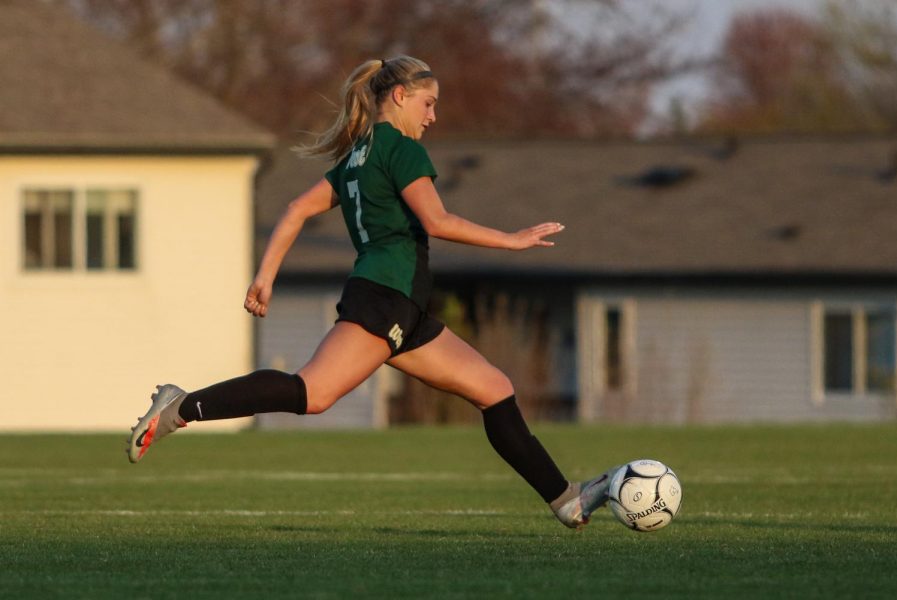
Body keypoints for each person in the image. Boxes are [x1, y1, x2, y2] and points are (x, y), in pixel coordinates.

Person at [126, 56, 618, 530]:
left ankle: (565, 499)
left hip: (404, 305)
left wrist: (266, 275)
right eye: (428, 103)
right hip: (385, 297)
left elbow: (297, 208)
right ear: (400, 96)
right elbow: (436, 221)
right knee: (312, 394)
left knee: (494, 390)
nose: (433, 115)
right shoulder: (399, 149)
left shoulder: (359, 153)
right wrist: (511, 240)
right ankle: (180, 406)